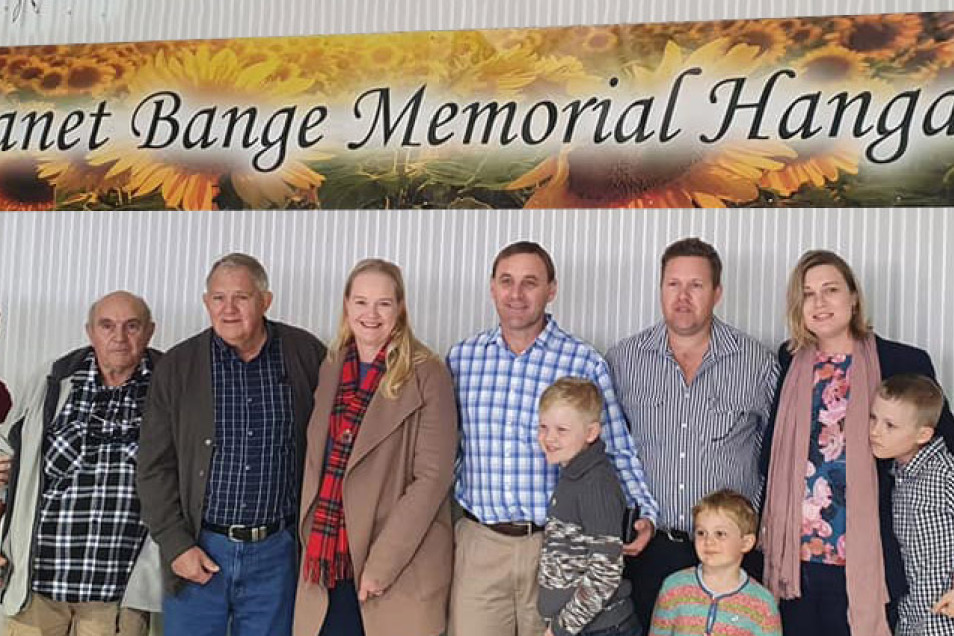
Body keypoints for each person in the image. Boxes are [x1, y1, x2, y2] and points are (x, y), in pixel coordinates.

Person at [447, 240, 658, 636]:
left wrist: (642, 509)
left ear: (551, 290)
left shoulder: (582, 360)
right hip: (480, 544)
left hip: (555, 550)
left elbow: (614, 445)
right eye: (506, 281)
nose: (516, 293)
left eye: (530, 282)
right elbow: (447, 449)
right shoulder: (462, 359)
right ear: (492, 287)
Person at [759, 249, 954, 636]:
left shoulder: (902, 360)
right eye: (808, 293)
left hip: (870, 561)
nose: (820, 302)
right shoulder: (788, 360)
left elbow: (947, 458)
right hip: (794, 565)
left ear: (853, 297)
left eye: (831, 289)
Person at [137, 253, 326, 636]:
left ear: (265, 301)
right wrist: (176, 546)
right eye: (218, 298)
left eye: (241, 297)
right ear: (206, 303)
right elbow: (153, 467)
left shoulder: (305, 354)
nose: (229, 309)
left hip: (278, 552)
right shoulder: (178, 366)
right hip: (200, 548)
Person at [605, 237, 778, 627]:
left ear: (717, 292)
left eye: (696, 286)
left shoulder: (756, 362)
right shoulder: (623, 360)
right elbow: (607, 450)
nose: (683, 296)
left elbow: (777, 453)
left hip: (732, 555)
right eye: (673, 284)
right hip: (650, 547)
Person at [293, 258, 457, 636]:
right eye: (361, 301)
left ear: (400, 308)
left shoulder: (426, 372)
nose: (371, 314)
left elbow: (432, 478)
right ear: (347, 305)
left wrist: (382, 565)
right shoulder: (332, 365)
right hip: (328, 559)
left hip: (394, 562)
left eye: (383, 303)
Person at [0, 291, 162, 636]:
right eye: (107, 326)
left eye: (131, 326)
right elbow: (4, 449)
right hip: (37, 586)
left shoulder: (170, 387)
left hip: (118, 593)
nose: (119, 337)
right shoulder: (53, 381)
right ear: (90, 332)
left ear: (149, 332)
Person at [536, 377, 639, 636]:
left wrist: (561, 628)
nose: (549, 438)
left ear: (591, 433)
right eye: (543, 427)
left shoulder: (596, 484)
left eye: (562, 430)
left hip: (602, 629)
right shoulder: (572, 475)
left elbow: (605, 573)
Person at [868, 374, 954, 636]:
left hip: (945, 619)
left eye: (890, 425)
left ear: (923, 434)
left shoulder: (945, 473)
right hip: (912, 617)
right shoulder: (897, 475)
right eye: (873, 418)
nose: (875, 431)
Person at [648, 490, 781, 636]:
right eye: (701, 533)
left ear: (746, 543)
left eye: (720, 534)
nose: (708, 541)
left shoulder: (762, 604)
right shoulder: (673, 587)